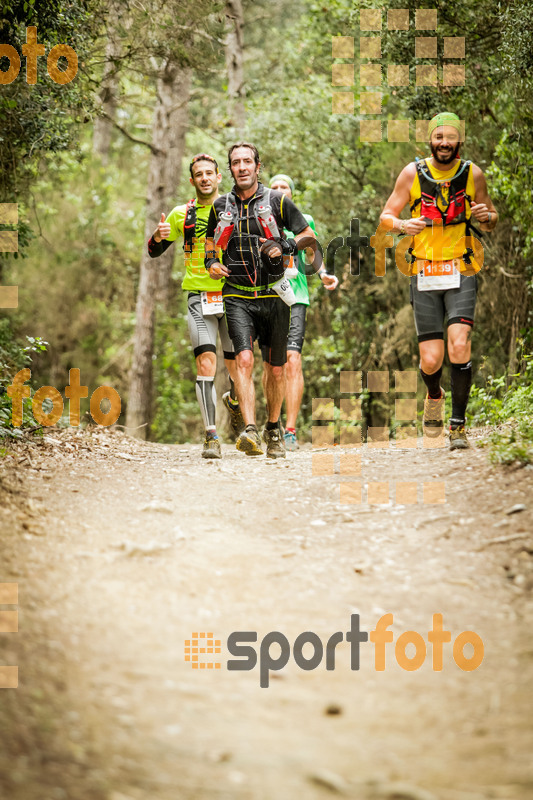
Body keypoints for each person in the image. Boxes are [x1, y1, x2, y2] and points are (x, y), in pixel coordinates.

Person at [380, 112, 498, 449]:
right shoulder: (411, 174)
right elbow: (386, 217)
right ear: (429, 140)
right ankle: (435, 394)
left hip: (461, 267)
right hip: (424, 270)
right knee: (431, 359)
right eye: (438, 137)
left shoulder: (473, 174)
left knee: (460, 344)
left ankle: (458, 425)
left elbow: (491, 219)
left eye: (450, 137)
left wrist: (485, 216)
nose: (444, 143)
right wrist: (403, 225)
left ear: (460, 140)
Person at [204, 143, 320, 458]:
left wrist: (285, 245)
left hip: (275, 294)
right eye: (235, 163)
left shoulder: (277, 201)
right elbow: (210, 242)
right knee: (243, 360)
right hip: (237, 294)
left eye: (247, 162)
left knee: (277, 368)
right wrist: (212, 264)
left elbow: (308, 235)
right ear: (229, 169)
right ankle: (251, 429)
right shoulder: (221, 206)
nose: (242, 167)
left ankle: (273, 428)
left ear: (258, 166)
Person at [147, 153, 244, 460]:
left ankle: (235, 398)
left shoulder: (235, 208)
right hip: (197, 297)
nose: (204, 178)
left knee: (239, 366)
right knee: (205, 364)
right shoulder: (182, 214)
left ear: (218, 177)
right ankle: (211, 435)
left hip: (232, 295)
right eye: (198, 174)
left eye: (209, 173)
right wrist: (158, 235)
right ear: (192, 181)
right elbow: (153, 250)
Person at [266, 174, 338, 450]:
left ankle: (291, 430)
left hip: (296, 297)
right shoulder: (260, 219)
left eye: (285, 187)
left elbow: (311, 252)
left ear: (292, 194)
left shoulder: (303, 219)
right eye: (275, 188)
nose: (280, 191)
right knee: (271, 367)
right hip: (267, 296)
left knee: (293, 360)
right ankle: (273, 423)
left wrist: (323, 274)